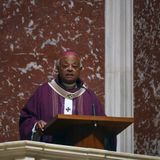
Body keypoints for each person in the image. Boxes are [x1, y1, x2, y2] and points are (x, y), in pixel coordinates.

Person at [19, 51, 106, 144]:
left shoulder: (89, 97)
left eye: (74, 66)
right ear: (58, 68)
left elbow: (104, 127)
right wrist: (36, 125)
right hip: (48, 153)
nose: (70, 69)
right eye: (65, 66)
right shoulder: (43, 92)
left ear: (80, 69)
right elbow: (26, 119)